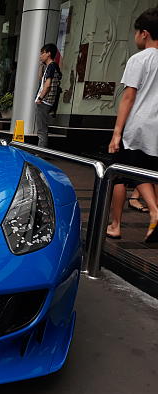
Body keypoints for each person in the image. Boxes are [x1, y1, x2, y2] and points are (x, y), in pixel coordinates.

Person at [106, 7, 158, 242]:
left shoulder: (139, 59)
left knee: (122, 172)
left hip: (138, 125)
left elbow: (128, 96)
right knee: (151, 172)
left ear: (144, 33)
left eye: (136, 32)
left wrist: (117, 133)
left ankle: (118, 224)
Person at [34, 43, 62, 148]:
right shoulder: (50, 67)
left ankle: (41, 153)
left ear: (49, 54)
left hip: (45, 101)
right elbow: (41, 80)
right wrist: (41, 66)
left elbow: (47, 84)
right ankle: (41, 151)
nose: (41, 55)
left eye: (43, 53)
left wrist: (40, 98)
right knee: (42, 129)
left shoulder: (51, 66)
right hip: (46, 101)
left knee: (42, 130)